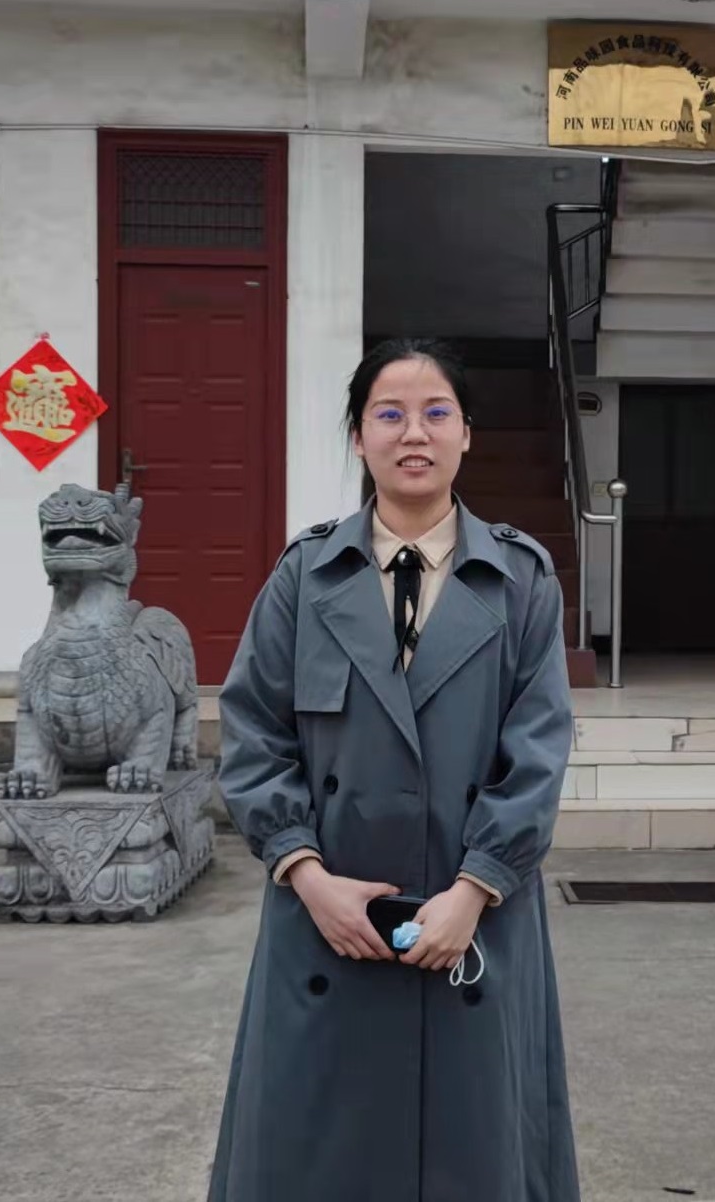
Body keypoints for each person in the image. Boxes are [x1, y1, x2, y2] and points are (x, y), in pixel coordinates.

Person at [208, 338, 580, 1201]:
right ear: (358, 436)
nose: (414, 433)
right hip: (326, 917)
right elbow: (253, 732)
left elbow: (538, 748)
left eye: (436, 413)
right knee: (313, 1151)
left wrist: (476, 889)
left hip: (472, 917)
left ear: (465, 434)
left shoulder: (520, 579)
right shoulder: (305, 576)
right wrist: (305, 875)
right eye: (389, 414)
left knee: (475, 1145)